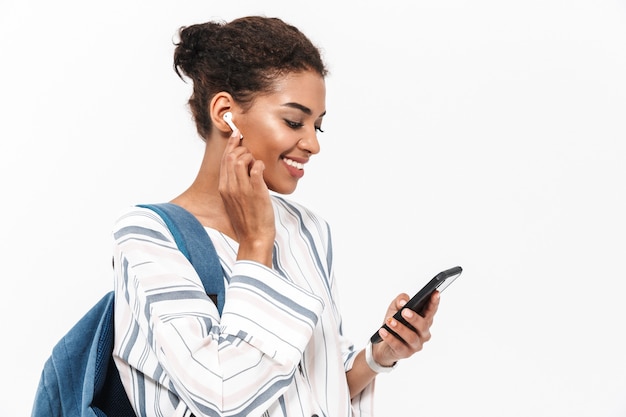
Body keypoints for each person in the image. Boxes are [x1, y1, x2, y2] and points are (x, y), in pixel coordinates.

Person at [111, 15, 440, 417]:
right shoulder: (150, 237)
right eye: (294, 121)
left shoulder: (307, 229)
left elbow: (316, 385)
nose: (313, 144)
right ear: (225, 113)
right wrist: (256, 244)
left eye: (318, 126)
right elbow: (220, 396)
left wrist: (378, 356)